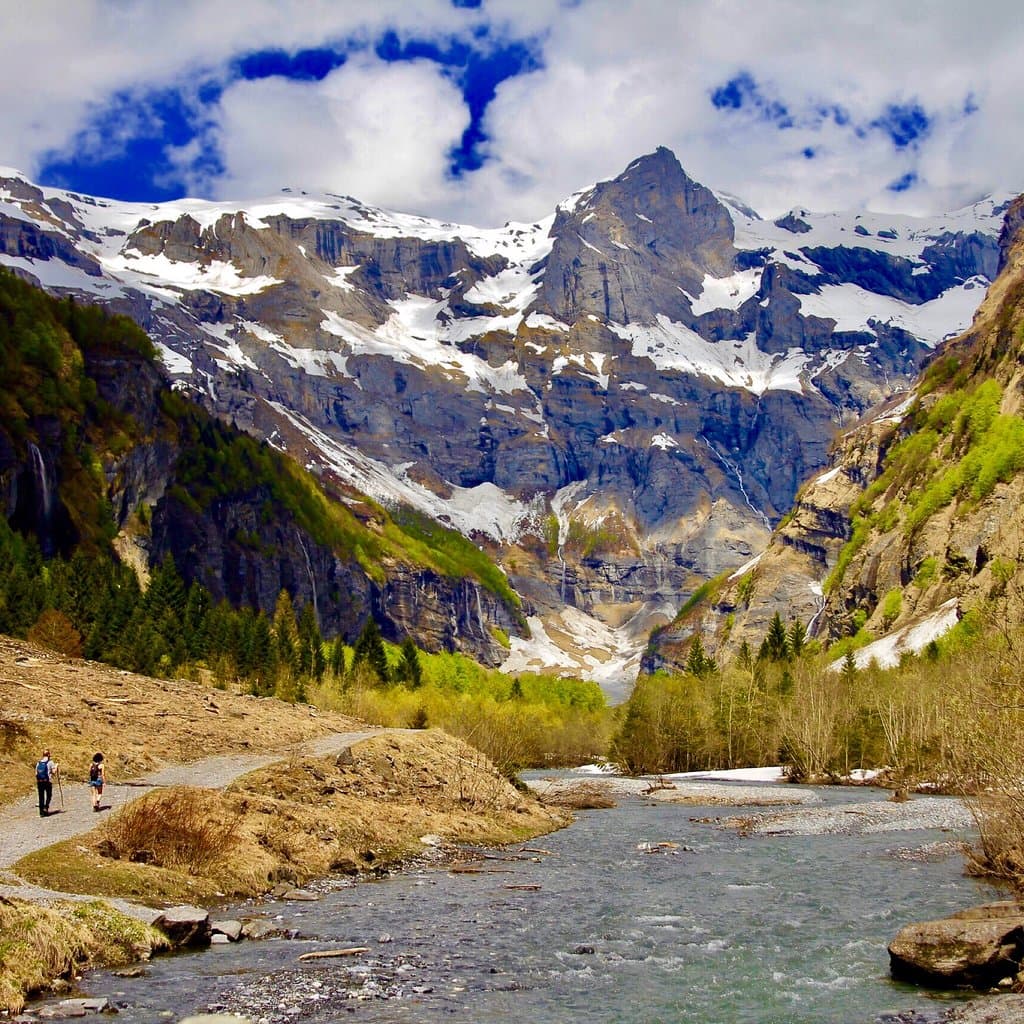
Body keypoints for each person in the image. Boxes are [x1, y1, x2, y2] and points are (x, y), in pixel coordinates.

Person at [35, 749, 54, 816]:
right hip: (47, 782)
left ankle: (41, 813)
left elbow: (36, 773)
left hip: (40, 782)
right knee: (49, 795)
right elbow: (53, 771)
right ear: (48, 755)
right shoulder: (50, 762)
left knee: (41, 796)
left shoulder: (38, 763)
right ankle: (46, 807)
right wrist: (56, 766)